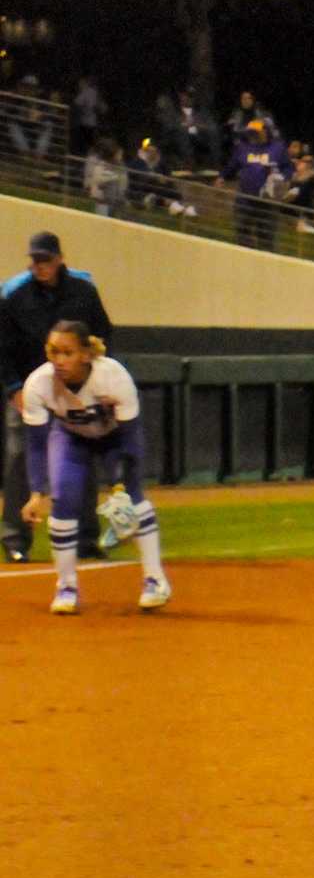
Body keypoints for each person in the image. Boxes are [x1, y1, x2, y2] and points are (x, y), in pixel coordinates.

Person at [19, 321, 170, 613]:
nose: (59, 360)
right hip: (71, 438)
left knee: (134, 500)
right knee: (63, 500)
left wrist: (120, 485)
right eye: (53, 352)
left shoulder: (113, 377)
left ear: (86, 354)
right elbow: (37, 444)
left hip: (116, 438)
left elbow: (129, 437)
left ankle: (155, 580)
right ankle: (66, 587)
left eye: (68, 353)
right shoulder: (38, 384)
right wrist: (37, 492)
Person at [1, 233, 115, 564]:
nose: (39, 266)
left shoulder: (83, 291)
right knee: (20, 458)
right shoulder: (15, 295)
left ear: (59, 259)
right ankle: (15, 540)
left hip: (76, 389)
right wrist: (13, 388)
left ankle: (86, 539)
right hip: (30, 388)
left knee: (81, 456)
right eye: (35, 260)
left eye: (45, 260)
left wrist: (97, 377)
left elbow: (104, 334)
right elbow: (3, 347)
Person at [221, 119, 292, 251]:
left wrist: (283, 178)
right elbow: (232, 165)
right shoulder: (242, 147)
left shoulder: (278, 148)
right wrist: (222, 177)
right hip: (245, 199)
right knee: (242, 231)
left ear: (266, 131)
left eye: (255, 132)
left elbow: (288, 167)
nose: (252, 134)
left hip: (267, 201)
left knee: (266, 237)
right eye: (250, 132)